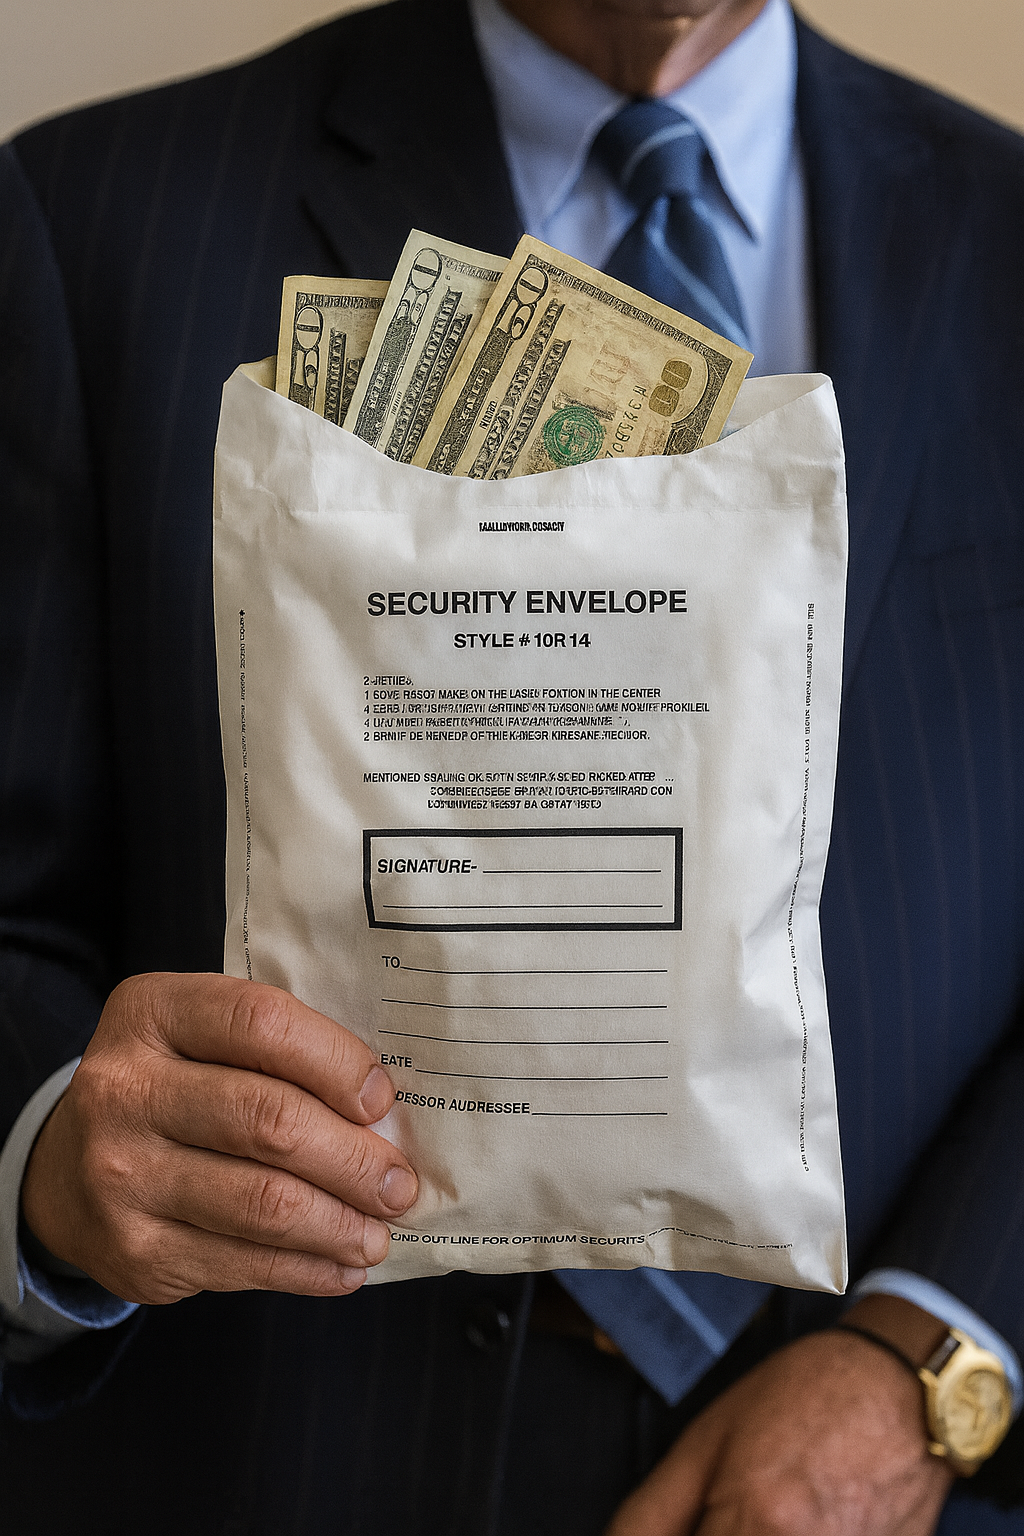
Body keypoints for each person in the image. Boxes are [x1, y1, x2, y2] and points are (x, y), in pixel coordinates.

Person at [1, 0, 1022, 1531]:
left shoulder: (1005, 237)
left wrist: (934, 1354)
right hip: (266, 1456)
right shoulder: (92, 215)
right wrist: (49, 1169)